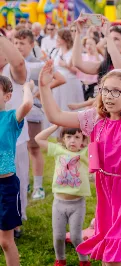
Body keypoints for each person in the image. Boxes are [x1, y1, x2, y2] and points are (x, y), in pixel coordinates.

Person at [38, 61, 121, 265]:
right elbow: (55, 116)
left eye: (116, 91)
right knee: (110, 257)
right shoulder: (95, 118)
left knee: (115, 259)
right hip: (107, 195)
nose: (109, 95)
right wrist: (44, 87)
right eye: (105, 90)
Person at [13, 29, 66, 200]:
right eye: (15, 42)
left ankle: (38, 186)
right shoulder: (12, 63)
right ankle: (25, 183)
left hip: (33, 111)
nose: (18, 46)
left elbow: (60, 78)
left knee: (34, 149)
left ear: (31, 44)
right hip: (16, 112)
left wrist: (39, 92)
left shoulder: (35, 64)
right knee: (19, 150)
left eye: (22, 43)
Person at [35, 125, 91, 266]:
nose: (72, 140)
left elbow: (96, 142)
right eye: (68, 137)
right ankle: (60, 260)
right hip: (59, 204)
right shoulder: (58, 150)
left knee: (76, 237)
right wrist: (55, 125)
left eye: (77, 137)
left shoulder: (86, 152)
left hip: (77, 204)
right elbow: (38, 138)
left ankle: (84, 261)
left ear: (83, 141)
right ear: (63, 139)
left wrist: (88, 128)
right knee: (59, 236)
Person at [0, 31, 30, 238]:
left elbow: (19, 64)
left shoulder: (12, 73)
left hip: (13, 138)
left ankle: (14, 223)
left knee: (16, 177)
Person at [0, 76, 32, 266]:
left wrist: (27, 86)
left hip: (6, 187)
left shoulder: (10, 118)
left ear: (7, 96)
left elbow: (27, 104)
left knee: (5, 241)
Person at [51, 28, 84, 111]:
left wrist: (65, 65)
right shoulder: (55, 51)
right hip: (58, 84)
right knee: (58, 105)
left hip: (70, 83)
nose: (57, 40)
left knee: (69, 105)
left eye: (59, 38)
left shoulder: (73, 52)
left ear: (65, 39)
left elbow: (77, 70)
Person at [76, 36, 103, 101]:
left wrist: (96, 52)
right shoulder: (82, 56)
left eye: (91, 44)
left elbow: (101, 67)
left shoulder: (99, 57)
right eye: (87, 44)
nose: (89, 46)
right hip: (83, 85)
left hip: (94, 86)